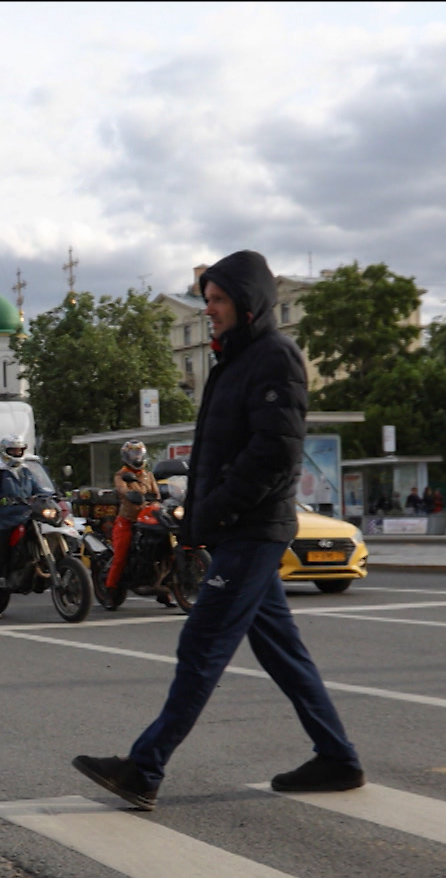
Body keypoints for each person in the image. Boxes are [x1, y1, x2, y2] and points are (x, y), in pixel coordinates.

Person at [73, 251, 364, 809]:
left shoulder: (275, 358)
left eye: (218, 300)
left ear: (248, 302)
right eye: (206, 300)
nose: (209, 310)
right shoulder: (237, 358)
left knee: (201, 643)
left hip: (253, 531)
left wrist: (216, 511)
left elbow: (274, 453)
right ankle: (338, 757)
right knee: (284, 653)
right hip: (240, 530)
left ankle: (144, 768)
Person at [0, 433, 39, 619]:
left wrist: (54, 495)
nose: (16, 453)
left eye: (19, 449)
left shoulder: (26, 471)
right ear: (4, 451)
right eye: (12, 450)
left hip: (25, 518)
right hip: (3, 522)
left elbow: (40, 489)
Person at [106, 439, 158, 595]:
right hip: (128, 520)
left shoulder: (148, 475)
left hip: (148, 519)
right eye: (133, 454)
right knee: (121, 556)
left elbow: (156, 493)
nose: (136, 457)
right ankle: (110, 589)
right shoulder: (121, 475)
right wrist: (130, 494)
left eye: (138, 453)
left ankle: (166, 587)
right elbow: (122, 489)